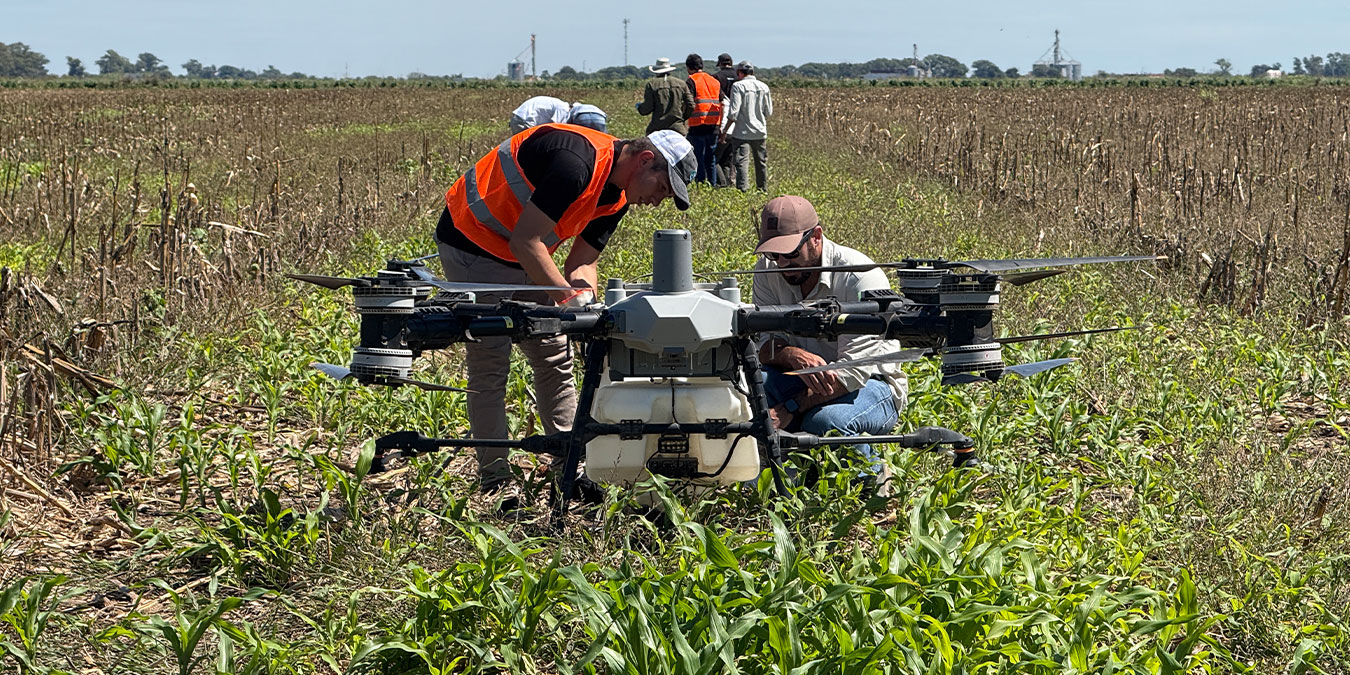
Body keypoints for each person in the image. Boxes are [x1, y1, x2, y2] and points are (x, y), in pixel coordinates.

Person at [437, 124, 697, 500]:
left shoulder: (617, 199)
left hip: (527, 252)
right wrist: (563, 299)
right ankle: (495, 480)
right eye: (661, 188)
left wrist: (584, 299)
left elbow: (582, 262)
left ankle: (569, 462)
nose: (657, 201)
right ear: (644, 161)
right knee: (491, 359)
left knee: (554, 355)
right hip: (474, 240)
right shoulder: (575, 164)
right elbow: (525, 240)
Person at [751, 196, 907, 478]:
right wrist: (790, 354)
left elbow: (853, 373)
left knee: (826, 421)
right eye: (775, 254)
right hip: (799, 377)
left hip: (871, 383)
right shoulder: (768, 268)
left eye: (790, 253)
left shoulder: (859, 276)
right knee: (747, 394)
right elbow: (761, 343)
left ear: (816, 237)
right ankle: (782, 467)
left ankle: (871, 477)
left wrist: (790, 407)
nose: (783, 264)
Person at [722, 61, 773, 191]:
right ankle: (762, 189)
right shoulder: (764, 86)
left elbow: (733, 112)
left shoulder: (738, 86)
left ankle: (743, 190)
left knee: (741, 162)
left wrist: (725, 130)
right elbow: (769, 112)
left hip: (741, 132)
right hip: (760, 131)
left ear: (740, 73)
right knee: (761, 162)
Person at [684, 54, 723, 184]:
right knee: (710, 158)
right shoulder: (714, 81)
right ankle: (712, 183)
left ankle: (700, 183)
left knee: (697, 157)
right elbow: (723, 101)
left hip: (697, 125)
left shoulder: (691, 81)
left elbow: (688, 102)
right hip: (714, 125)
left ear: (689, 68)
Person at [637, 57, 695, 136]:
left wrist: (639, 107)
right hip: (678, 128)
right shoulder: (681, 84)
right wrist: (682, 118)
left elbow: (646, 109)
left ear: (656, 71)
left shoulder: (652, 84)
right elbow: (691, 105)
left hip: (657, 128)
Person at [509, 96, 608, 134]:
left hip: (522, 118)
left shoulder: (562, 106)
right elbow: (555, 128)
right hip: (524, 121)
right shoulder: (562, 108)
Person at [712, 54, 738, 186]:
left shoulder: (717, 77)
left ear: (720, 63)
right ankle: (729, 184)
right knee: (728, 159)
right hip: (738, 126)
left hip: (724, 123)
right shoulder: (739, 76)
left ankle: (721, 184)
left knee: (714, 159)